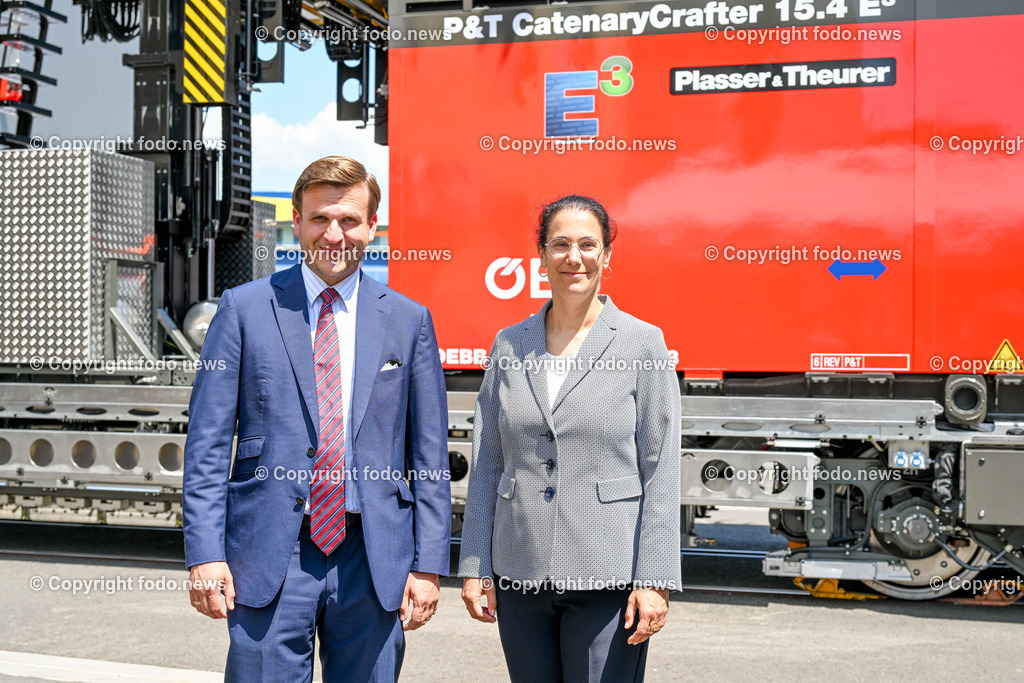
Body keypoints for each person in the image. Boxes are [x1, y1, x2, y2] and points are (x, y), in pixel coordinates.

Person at [183, 156, 451, 682]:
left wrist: (426, 564)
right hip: (268, 553)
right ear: (299, 222)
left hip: (373, 554)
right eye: (319, 219)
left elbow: (429, 455)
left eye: (350, 220)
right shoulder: (244, 308)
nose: (334, 234)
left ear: (373, 227)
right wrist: (205, 554)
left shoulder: (407, 319)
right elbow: (208, 443)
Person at [459, 195, 681, 682]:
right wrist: (475, 564)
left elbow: (661, 467)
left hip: (608, 574)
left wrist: (655, 580)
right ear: (541, 255)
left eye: (587, 244)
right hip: (520, 570)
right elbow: (489, 461)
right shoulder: (510, 343)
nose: (573, 257)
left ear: (606, 256)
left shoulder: (642, 342)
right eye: (559, 244)